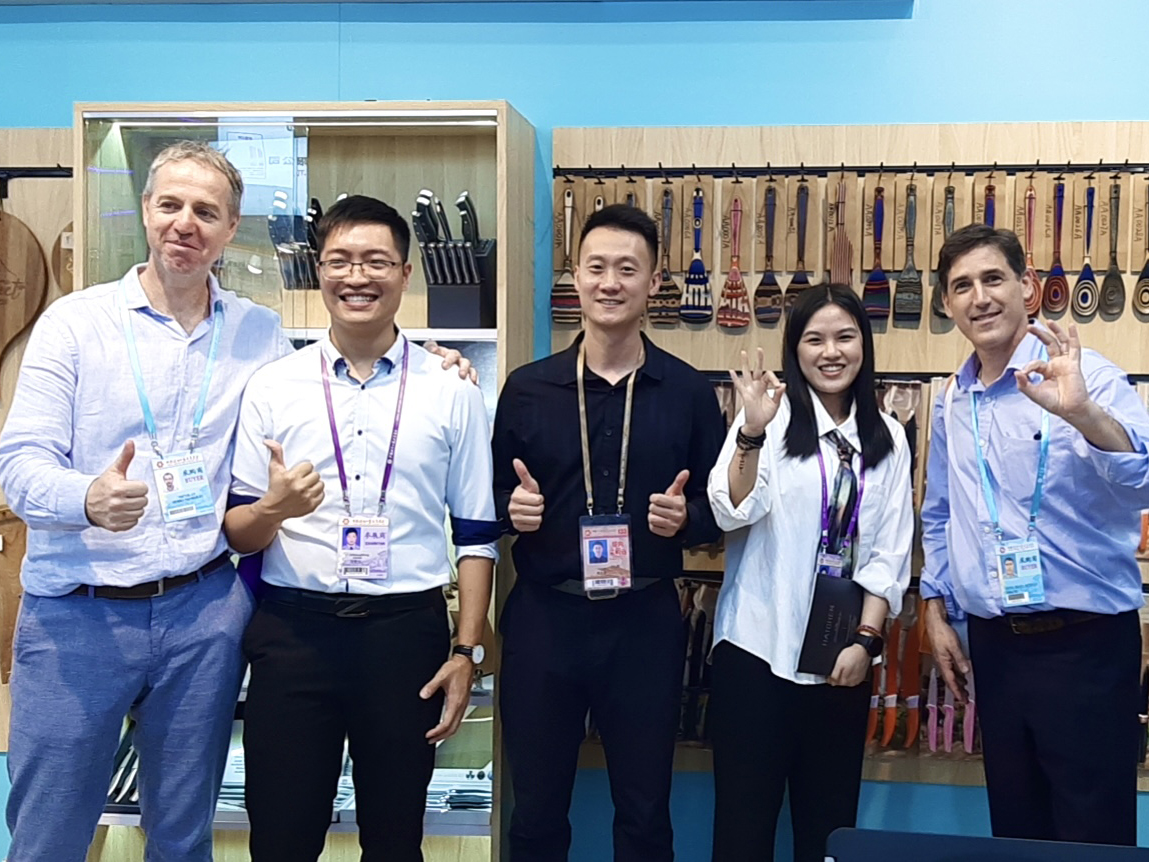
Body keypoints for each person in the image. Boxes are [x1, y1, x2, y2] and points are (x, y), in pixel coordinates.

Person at [0, 141, 289, 862]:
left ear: (230, 229)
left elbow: (318, 400)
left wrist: (424, 363)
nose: (186, 223)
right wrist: (87, 497)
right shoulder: (75, 323)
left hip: (203, 614)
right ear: (145, 212)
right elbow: (18, 465)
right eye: (171, 205)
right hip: (77, 616)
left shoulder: (259, 332)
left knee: (183, 838)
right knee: (49, 837)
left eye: (206, 212)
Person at [224, 194, 497, 862]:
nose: (357, 277)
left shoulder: (452, 389)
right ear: (319, 271)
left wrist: (466, 652)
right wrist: (274, 510)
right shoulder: (272, 386)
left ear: (405, 273)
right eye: (340, 261)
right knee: (280, 838)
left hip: (405, 637)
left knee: (395, 839)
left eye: (376, 261)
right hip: (294, 633)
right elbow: (238, 533)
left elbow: (476, 535)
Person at [492, 203, 726, 861]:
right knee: (535, 812)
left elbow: (718, 507)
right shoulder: (527, 389)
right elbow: (487, 493)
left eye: (628, 269)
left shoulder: (686, 392)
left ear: (654, 281)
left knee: (646, 814)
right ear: (576, 275)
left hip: (644, 622)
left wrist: (688, 520)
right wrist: (512, 508)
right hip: (545, 618)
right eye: (596, 267)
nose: (610, 283)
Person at [920, 223, 1149, 846]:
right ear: (947, 304)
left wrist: (1084, 415)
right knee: (1017, 833)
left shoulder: (1087, 377)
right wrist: (935, 607)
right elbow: (940, 514)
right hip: (995, 649)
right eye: (962, 286)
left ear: (1027, 286)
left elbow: (1143, 482)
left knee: (1092, 837)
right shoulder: (953, 399)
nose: (980, 298)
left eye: (993, 279)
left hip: (1086, 646)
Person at [706, 285, 913, 862]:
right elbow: (730, 508)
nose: (831, 352)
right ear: (794, 349)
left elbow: (889, 553)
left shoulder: (889, 438)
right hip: (757, 653)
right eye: (814, 339)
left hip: (840, 663)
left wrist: (866, 642)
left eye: (845, 337)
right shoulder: (769, 422)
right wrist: (750, 431)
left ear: (864, 345)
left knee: (827, 834)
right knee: (742, 833)